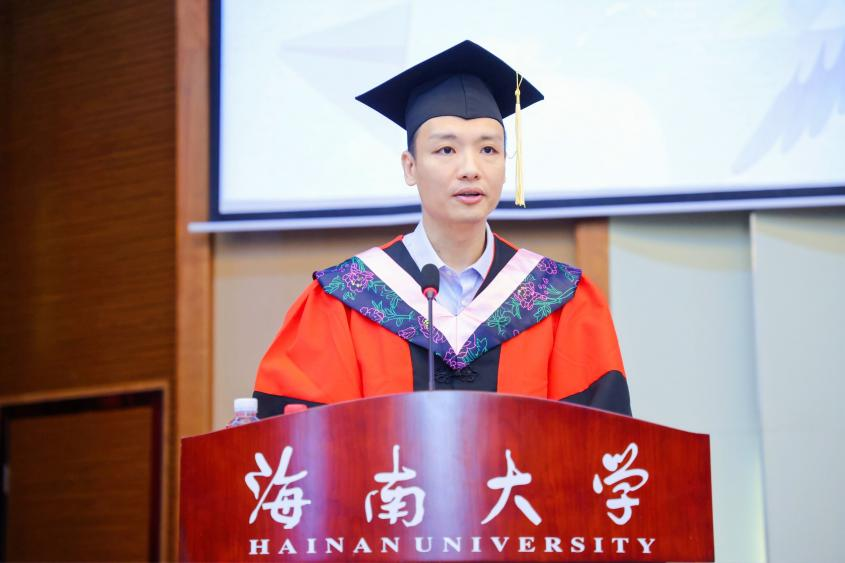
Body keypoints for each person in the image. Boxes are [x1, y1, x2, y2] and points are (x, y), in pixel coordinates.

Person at [253, 40, 631, 418]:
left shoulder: (559, 298)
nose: (470, 169)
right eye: (446, 150)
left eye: (488, 150)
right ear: (410, 167)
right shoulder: (344, 300)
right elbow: (297, 438)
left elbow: (598, 439)